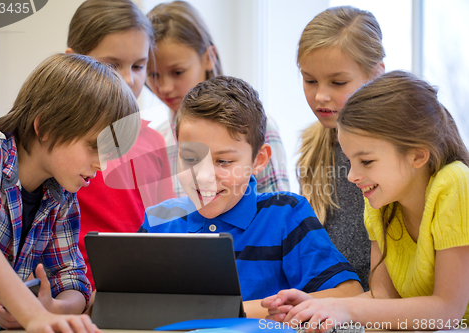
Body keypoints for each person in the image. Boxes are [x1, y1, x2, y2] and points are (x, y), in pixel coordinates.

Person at [139, 76, 364, 319]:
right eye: (191, 159)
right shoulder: (158, 220)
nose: (203, 176)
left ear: (258, 160)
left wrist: (228, 312)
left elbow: (348, 294)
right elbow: (115, 298)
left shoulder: (285, 214)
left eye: (223, 161)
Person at [262, 71, 469, 330]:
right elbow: (381, 298)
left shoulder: (454, 183)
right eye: (350, 161)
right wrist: (314, 305)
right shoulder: (380, 205)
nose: (351, 176)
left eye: (366, 161)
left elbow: (448, 312)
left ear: (417, 155)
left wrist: (344, 307)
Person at [0, 53, 139, 332]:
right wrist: (30, 310)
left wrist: (52, 308)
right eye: (94, 147)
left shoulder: (61, 196)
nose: (102, 164)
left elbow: (73, 280)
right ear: (45, 126)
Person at [66, 0, 175, 290]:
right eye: (112, 65)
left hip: (138, 293)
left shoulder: (153, 141)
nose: (128, 80)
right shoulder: (61, 142)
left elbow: (165, 229)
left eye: (139, 66)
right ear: (71, 61)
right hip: (72, 294)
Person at [145, 0, 290, 197]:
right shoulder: (158, 140)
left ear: (208, 57)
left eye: (178, 72)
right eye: (153, 75)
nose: (164, 87)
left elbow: (277, 211)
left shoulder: (253, 126)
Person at [295, 6, 385, 291]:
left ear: (375, 75)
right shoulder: (313, 145)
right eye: (309, 80)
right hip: (332, 304)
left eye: (338, 82)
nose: (320, 95)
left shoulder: (399, 151)